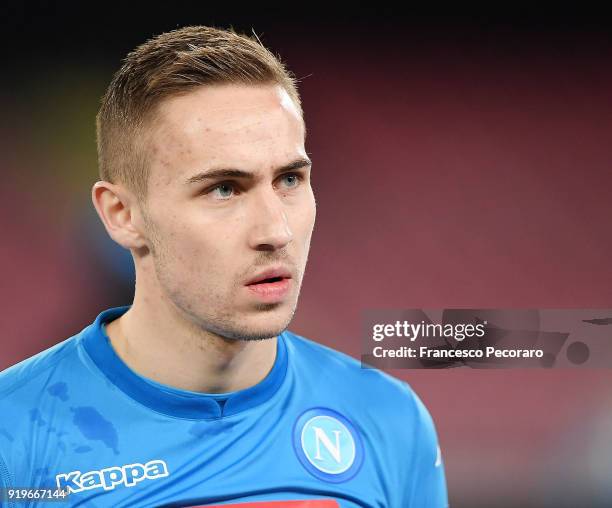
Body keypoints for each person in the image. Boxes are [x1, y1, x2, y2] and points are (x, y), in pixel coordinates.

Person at [0, 26, 448, 507]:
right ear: (122, 216)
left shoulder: (389, 418)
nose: (276, 231)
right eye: (224, 189)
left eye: (290, 179)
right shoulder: (14, 435)